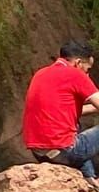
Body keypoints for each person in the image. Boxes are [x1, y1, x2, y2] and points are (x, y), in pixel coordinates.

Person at [21, 39, 99, 181]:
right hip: (65, 150)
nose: (87, 75)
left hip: (40, 152)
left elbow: (62, 111)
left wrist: (93, 108)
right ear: (78, 63)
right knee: (76, 139)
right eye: (88, 70)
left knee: (75, 133)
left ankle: (91, 180)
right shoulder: (75, 74)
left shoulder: (41, 73)